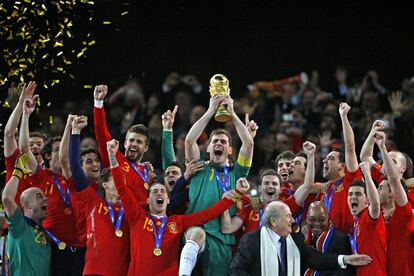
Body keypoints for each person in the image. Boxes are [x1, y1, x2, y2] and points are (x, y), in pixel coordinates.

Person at [106, 139, 249, 275]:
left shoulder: (177, 221)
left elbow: (208, 214)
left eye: (162, 191)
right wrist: (112, 157)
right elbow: (122, 188)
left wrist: (236, 194)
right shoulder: (137, 216)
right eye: (154, 191)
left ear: (168, 200)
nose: (159, 194)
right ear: (148, 200)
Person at [184, 94, 255, 275]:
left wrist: (232, 113)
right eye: (214, 141)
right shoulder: (198, 167)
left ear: (230, 149)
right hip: (195, 229)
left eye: (223, 142)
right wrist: (210, 111)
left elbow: (248, 143)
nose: (219, 144)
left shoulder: (237, 173)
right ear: (207, 148)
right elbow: (189, 140)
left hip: (222, 239)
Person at [19, 98, 80, 275]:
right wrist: (26, 115)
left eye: (66, 149)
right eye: (59, 150)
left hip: (78, 248)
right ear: (46, 156)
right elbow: (24, 148)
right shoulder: (41, 176)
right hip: (50, 246)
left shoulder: (77, 179)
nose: (64, 154)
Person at [229, 201, 372, 276]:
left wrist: (345, 259)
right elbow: (236, 270)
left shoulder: (294, 240)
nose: (292, 220)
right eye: (288, 216)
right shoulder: (252, 240)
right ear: (274, 221)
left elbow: (316, 258)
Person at [221, 141, 317, 234]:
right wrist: (224, 205)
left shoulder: (286, 206)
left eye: (274, 184)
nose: (270, 186)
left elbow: (307, 185)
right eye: (266, 183)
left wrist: (310, 155)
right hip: (253, 250)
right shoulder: (250, 208)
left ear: (280, 189)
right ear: (259, 188)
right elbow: (227, 229)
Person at [93, 84, 153, 202]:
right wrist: (98, 103)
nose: (134, 144)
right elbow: (102, 134)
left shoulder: (147, 172)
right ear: (125, 143)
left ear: (146, 148)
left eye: (139, 142)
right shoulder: (115, 159)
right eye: (131, 140)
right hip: (116, 218)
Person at [316, 102, 362, 233]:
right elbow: (307, 186)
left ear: (343, 165)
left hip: (346, 240)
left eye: (330, 158)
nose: (324, 160)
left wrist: (343, 117)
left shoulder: (351, 181)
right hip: (326, 241)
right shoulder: (327, 188)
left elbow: (350, 148)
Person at [2, 153, 51, 276]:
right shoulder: (19, 225)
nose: (46, 199)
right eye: (39, 196)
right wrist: (18, 172)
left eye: (45, 196)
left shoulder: (45, 233)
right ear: (28, 205)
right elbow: (7, 199)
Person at [374, 131, 414, 275]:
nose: (377, 190)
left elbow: (395, 181)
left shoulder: (404, 212)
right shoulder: (374, 216)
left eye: (381, 187)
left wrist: (382, 147)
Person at [348, 162, 387, 276]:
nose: (353, 197)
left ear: (367, 200)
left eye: (358, 194)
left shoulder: (369, 217)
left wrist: (367, 174)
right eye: (350, 194)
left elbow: (375, 204)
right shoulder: (355, 222)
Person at [304, 201, 354, 276]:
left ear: (328, 218)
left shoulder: (340, 240)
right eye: (312, 219)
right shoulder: (302, 238)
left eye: (321, 219)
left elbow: (344, 272)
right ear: (306, 219)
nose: (317, 223)